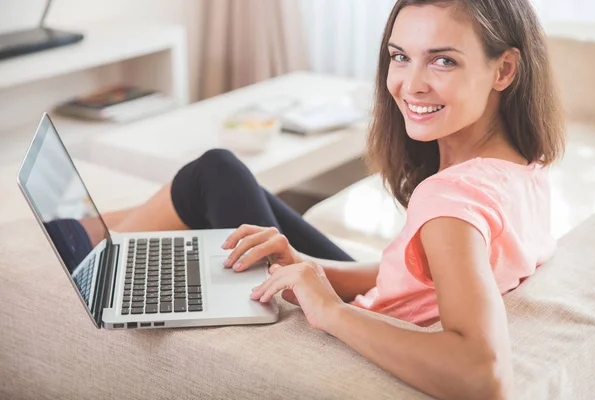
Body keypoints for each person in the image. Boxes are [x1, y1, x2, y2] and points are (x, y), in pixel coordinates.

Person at [103, 0, 565, 398]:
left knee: (214, 174)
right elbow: (414, 281)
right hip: (374, 306)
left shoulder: (447, 202)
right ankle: (97, 230)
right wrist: (307, 266)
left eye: (443, 61)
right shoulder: (527, 169)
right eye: (400, 57)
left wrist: (330, 311)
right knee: (231, 188)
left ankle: (95, 245)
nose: (410, 83)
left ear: (504, 69)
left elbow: (484, 375)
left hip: (342, 341)